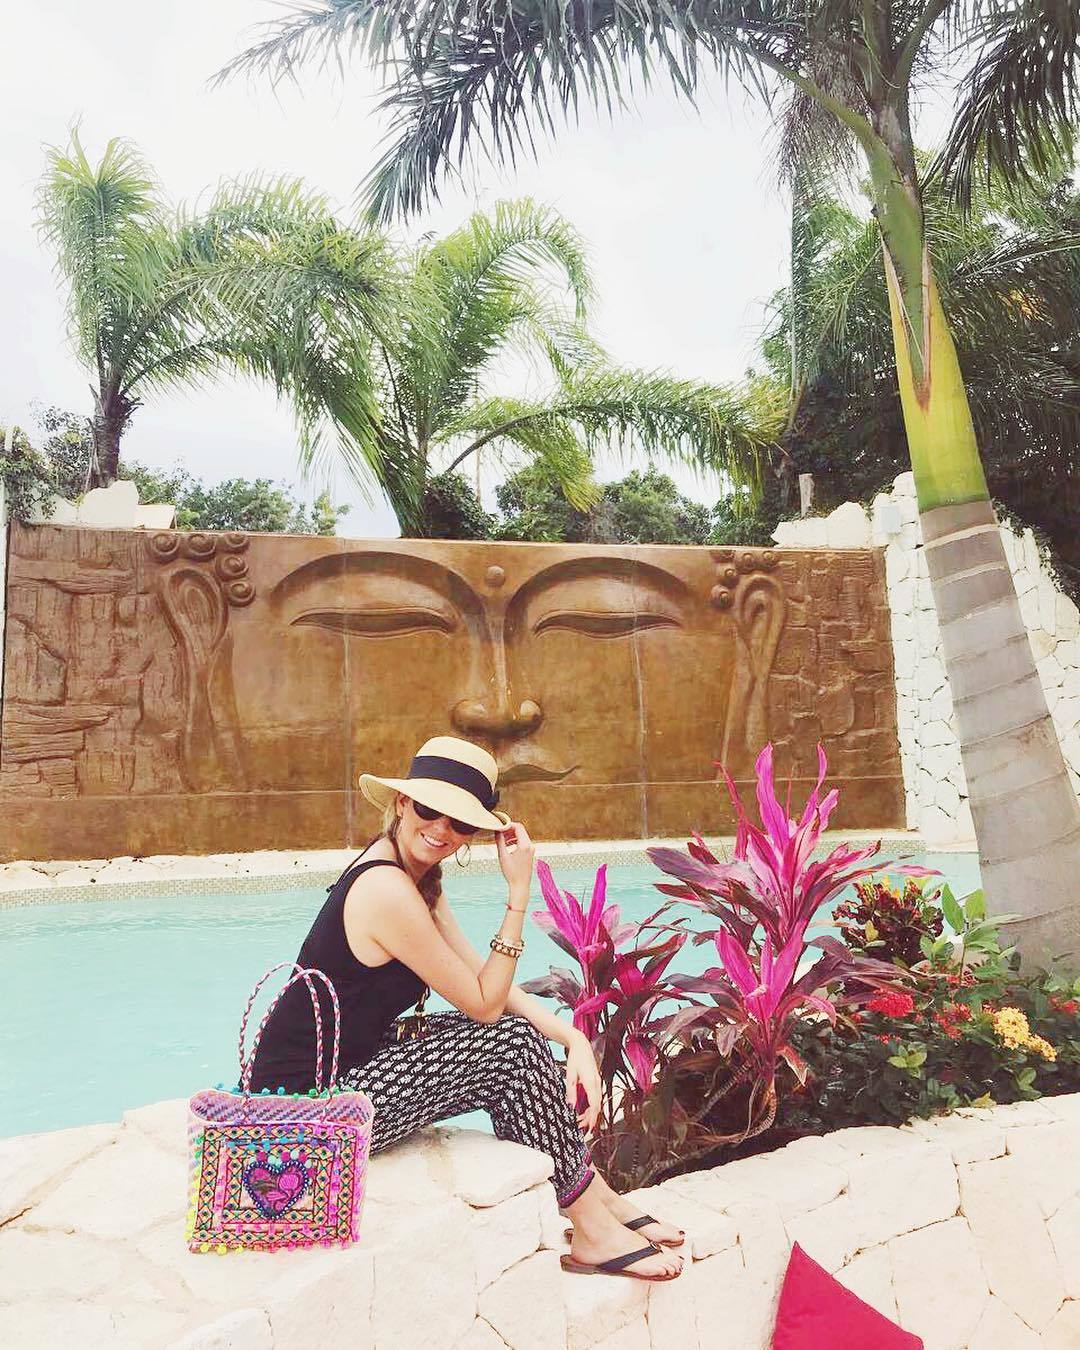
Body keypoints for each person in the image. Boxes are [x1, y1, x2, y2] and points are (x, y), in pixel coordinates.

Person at [251, 735, 685, 1281]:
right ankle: (592, 1228)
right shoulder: (386, 889)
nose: (441, 830)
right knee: (507, 1048)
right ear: (402, 803)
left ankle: (596, 1197)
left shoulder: (412, 875)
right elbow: (484, 1006)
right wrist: (518, 893)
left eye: (459, 823)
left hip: (347, 1070)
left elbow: (482, 977)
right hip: (305, 1112)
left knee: (518, 1039)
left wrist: (571, 1036)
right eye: (429, 810)